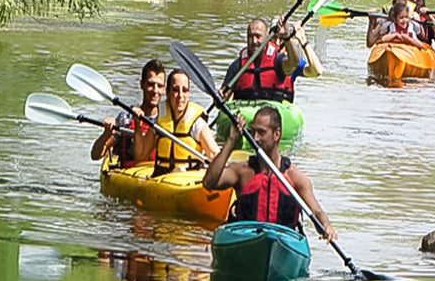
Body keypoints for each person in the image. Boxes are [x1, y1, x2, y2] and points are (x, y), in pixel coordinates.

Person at [203, 106, 335, 240]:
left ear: (277, 134)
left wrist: (326, 226)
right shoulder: (242, 171)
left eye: (261, 132)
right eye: (253, 131)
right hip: (245, 241)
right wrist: (231, 141)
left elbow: (316, 211)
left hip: (282, 243)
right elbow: (209, 183)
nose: (255, 138)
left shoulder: (295, 178)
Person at [134, 68, 219, 172]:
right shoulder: (159, 120)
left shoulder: (197, 124)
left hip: (189, 178)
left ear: (189, 94)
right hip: (162, 177)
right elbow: (141, 156)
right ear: (168, 93)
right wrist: (138, 128)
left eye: (185, 90)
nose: (180, 96)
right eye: (175, 90)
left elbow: (214, 155)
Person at [90, 59, 165, 167]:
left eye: (160, 86)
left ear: (164, 89)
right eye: (150, 84)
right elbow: (95, 155)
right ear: (142, 84)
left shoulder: (167, 121)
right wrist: (106, 133)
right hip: (128, 175)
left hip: (158, 179)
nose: (155, 90)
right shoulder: (126, 118)